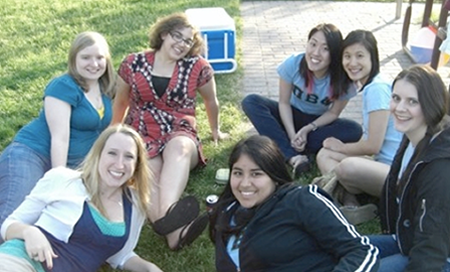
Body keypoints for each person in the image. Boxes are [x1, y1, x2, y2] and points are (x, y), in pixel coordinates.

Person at [112, 12, 227, 250]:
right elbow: (121, 101)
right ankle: (175, 235)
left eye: (188, 41)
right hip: (143, 132)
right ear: (164, 34)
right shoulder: (132, 63)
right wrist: (114, 131)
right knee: (150, 169)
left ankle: (165, 219)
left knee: (180, 147)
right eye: (178, 36)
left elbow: (211, 101)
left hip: (180, 130)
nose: (182, 44)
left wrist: (215, 130)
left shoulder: (198, 67)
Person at [0, 124, 163, 272]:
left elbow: (120, 255)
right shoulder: (62, 179)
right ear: (98, 155)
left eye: (129, 156)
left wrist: (149, 268)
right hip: (22, 261)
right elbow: (8, 225)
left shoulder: (135, 205)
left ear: (137, 165)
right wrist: (29, 232)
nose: (119, 164)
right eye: (112, 153)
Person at [0, 31, 115, 235]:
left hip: (72, 167)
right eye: (86, 57)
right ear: (74, 59)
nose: (94, 64)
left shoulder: (106, 88)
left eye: (99, 57)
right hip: (32, 154)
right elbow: (59, 138)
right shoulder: (63, 86)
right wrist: (58, 183)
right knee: (12, 217)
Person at [208, 135, 379, 272]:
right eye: (238, 173)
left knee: (402, 251)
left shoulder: (300, 200)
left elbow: (361, 251)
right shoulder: (226, 212)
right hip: (329, 250)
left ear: (274, 177)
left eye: (256, 174)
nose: (245, 183)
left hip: (343, 263)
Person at [241, 23, 362, 177]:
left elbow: (333, 113)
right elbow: (283, 103)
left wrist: (307, 129)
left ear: (335, 53)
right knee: (251, 102)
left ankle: (281, 141)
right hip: (289, 116)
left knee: (354, 129)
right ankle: (293, 156)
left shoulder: (343, 79)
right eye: (313, 44)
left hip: (316, 124)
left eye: (325, 48)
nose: (316, 53)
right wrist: (292, 134)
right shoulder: (293, 64)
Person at [316, 30, 402, 224]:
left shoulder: (377, 89)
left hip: (396, 175)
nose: (352, 63)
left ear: (374, 57)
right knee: (324, 154)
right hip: (383, 166)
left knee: (347, 166)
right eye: (347, 56)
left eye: (360, 56)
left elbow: (373, 146)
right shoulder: (373, 86)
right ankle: (351, 204)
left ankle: (345, 199)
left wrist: (342, 148)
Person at [371, 65, 450, 271]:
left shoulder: (439, 166)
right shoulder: (412, 135)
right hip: (408, 239)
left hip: (439, 257)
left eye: (412, 101)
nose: (399, 108)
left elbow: (432, 246)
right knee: (347, 249)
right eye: (396, 98)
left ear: (430, 105)